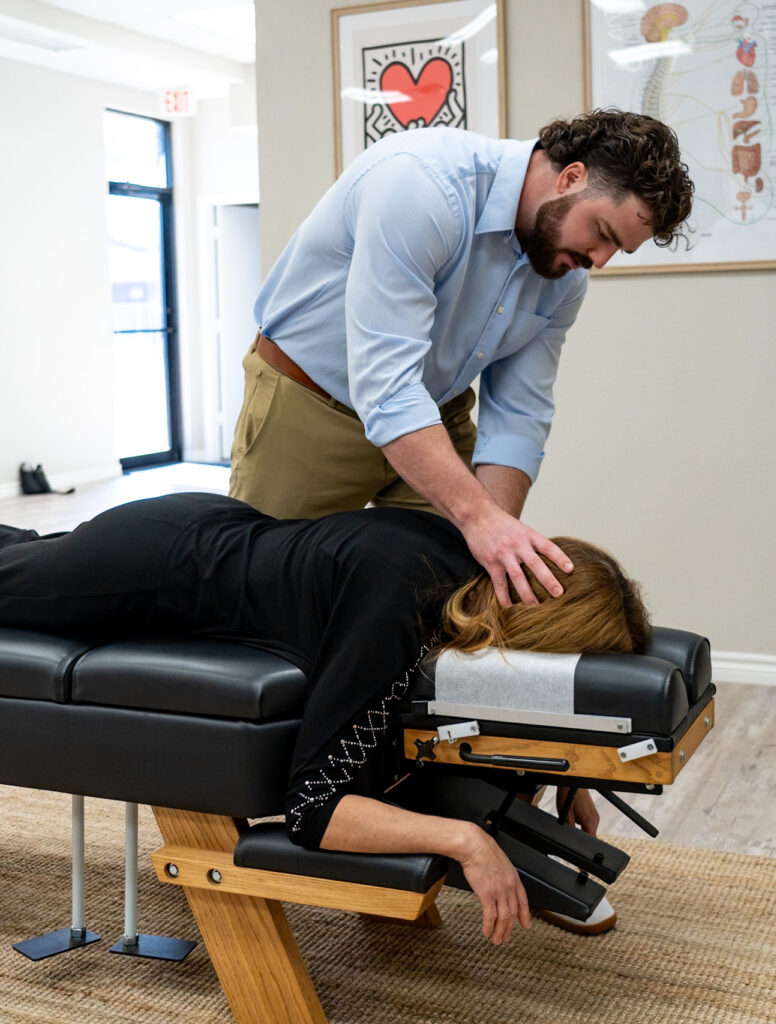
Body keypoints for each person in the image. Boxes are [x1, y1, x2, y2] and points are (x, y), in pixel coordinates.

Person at [0, 492, 649, 945]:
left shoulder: (460, 568)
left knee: (21, 554)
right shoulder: (397, 608)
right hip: (152, 568)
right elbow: (315, 810)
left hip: (205, 527)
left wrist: (572, 770)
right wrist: (464, 840)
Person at [229, 109, 693, 608]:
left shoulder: (564, 279)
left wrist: (494, 544)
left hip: (434, 419)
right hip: (310, 406)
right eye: (601, 232)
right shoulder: (422, 187)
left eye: (616, 250)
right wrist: (479, 519)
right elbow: (387, 389)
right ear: (571, 177)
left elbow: (518, 415)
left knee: (441, 603)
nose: (598, 261)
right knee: (262, 597)